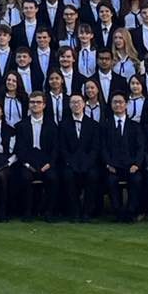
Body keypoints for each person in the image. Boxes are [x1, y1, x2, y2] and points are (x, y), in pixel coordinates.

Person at [14, 90, 58, 221]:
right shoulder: (21, 125)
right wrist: (27, 165)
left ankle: (49, 212)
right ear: (29, 105)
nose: (35, 105)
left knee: (53, 178)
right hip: (28, 163)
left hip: (46, 163)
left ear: (44, 105)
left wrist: (49, 164)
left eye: (38, 102)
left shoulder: (52, 125)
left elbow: (56, 148)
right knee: (25, 178)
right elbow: (19, 149)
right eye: (32, 102)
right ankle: (27, 212)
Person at [103, 91, 145, 222]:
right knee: (111, 181)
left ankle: (131, 212)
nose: (118, 105)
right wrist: (108, 164)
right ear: (111, 105)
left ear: (126, 104)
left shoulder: (135, 126)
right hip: (113, 167)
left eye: (121, 102)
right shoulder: (105, 126)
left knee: (137, 180)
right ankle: (118, 212)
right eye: (115, 102)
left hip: (131, 166)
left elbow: (140, 148)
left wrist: (136, 165)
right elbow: (103, 148)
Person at [59, 94, 101, 222]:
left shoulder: (93, 125)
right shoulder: (63, 125)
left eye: (78, 102)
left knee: (93, 176)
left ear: (84, 104)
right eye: (72, 102)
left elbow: (95, 148)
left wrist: (87, 163)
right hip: (70, 163)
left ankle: (87, 211)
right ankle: (74, 211)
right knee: (68, 176)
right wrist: (70, 163)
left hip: (88, 163)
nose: (76, 105)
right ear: (69, 105)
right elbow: (62, 147)